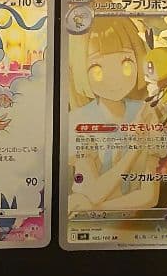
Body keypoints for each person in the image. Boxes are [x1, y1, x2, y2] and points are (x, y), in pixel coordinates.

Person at [66, 12, 161, 213]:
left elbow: (149, 196)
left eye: (126, 64)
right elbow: (93, 192)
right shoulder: (79, 120)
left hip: (130, 222)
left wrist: (93, 209)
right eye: (97, 70)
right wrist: (133, 151)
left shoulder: (145, 113)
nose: (115, 79)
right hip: (85, 224)